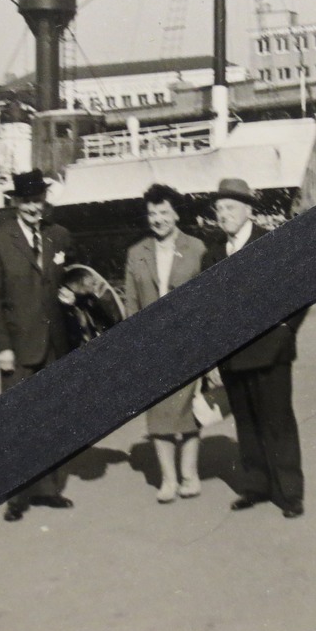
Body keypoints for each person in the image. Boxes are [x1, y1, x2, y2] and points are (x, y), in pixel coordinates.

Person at [202, 177, 308, 519]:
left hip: (270, 352)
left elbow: (301, 291)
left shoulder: (271, 243)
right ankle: (257, 486)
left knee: (277, 422)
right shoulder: (214, 254)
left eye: (230, 207)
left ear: (248, 210)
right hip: (234, 356)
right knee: (246, 423)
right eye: (219, 209)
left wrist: (285, 330)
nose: (223, 215)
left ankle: (289, 493)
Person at [0, 169, 76, 522]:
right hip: (18, 348)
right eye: (28, 201)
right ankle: (17, 497)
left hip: (55, 345)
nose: (35, 208)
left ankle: (47, 490)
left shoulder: (58, 237)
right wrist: (1, 347)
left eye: (39, 201)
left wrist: (72, 294)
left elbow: (75, 278)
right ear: (15, 202)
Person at [122, 184, 209, 503]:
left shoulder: (196, 248)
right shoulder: (136, 252)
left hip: (189, 341)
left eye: (163, 212)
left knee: (188, 410)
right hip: (151, 344)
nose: (157, 219)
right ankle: (169, 480)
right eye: (152, 213)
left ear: (175, 213)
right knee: (159, 413)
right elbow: (131, 302)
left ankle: (190, 475)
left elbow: (207, 299)